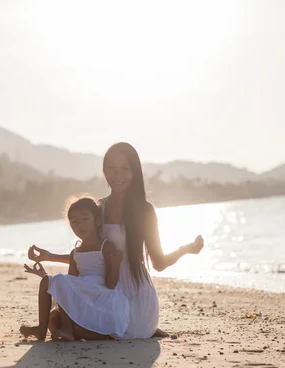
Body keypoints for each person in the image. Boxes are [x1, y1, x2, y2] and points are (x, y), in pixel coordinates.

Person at [27, 142, 204, 339]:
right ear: (104, 171)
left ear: (135, 172)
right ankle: (127, 331)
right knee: (55, 320)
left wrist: (185, 249)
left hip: (136, 297)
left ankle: (141, 327)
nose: (118, 175)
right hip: (104, 292)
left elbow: (159, 264)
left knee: (61, 322)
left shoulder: (144, 210)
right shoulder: (98, 208)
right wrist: (49, 256)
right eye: (111, 168)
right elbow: (91, 257)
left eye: (125, 169)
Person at [20, 197, 129, 341]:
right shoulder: (75, 252)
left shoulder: (106, 246)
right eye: (74, 222)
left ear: (97, 221)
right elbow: (70, 284)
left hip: (101, 297)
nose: (80, 225)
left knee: (57, 283)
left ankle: (68, 329)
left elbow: (111, 284)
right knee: (53, 315)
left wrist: (115, 263)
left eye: (85, 219)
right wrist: (45, 277)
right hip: (85, 295)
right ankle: (42, 329)